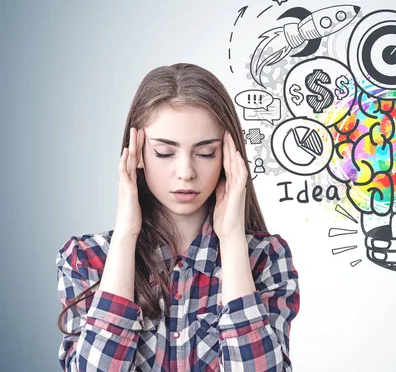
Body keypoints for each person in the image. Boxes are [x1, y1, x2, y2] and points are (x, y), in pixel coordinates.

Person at [55, 63, 300, 371]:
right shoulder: (87, 259)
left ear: (228, 156)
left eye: (206, 153)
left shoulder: (265, 258)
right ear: (137, 154)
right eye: (165, 153)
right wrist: (126, 236)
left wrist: (232, 240)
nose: (186, 173)